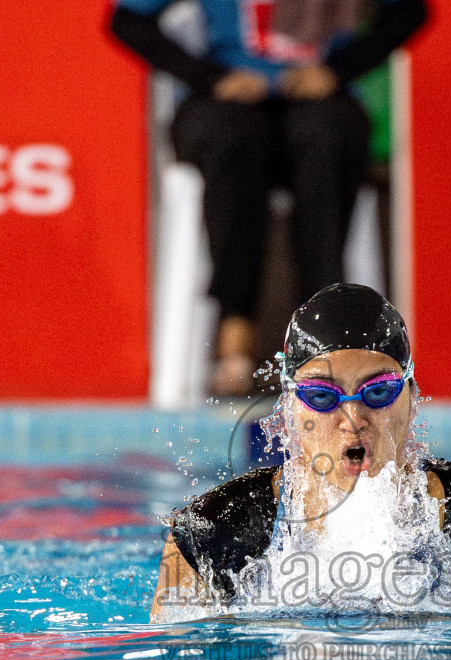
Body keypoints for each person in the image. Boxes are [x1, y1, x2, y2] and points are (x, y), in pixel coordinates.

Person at [151, 283, 451, 621]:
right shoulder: (209, 534)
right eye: (322, 396)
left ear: (411, 400)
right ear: (290, 409)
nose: (352, 417)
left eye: (378, 392)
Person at [109, 0, 429, 395]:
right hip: (222, 100)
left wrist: (337, 70)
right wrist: (209, 77)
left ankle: (322, 334)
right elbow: (125, 20)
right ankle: (234, 334)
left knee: (327, 137)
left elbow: (410, 11)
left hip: (319, 100)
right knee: (234, 138)